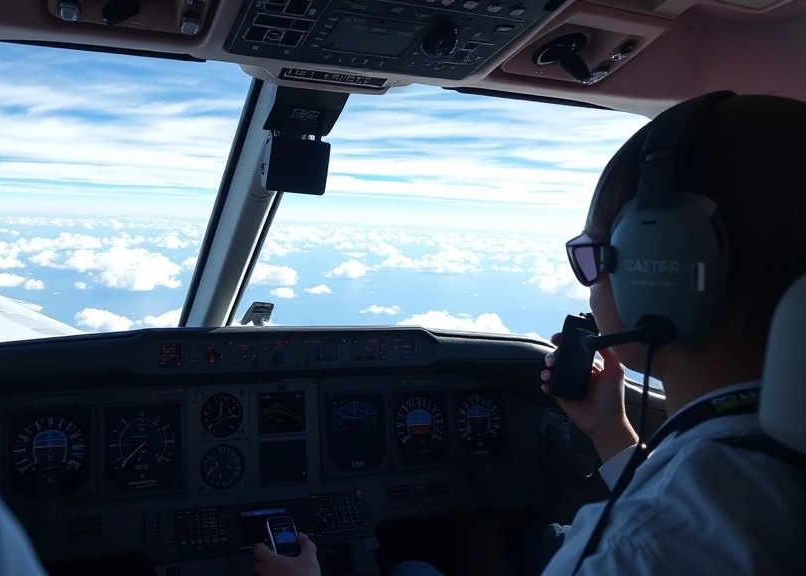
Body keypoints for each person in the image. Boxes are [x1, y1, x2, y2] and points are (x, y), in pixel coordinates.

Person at [253, 94, 806, 576]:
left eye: (589, 256)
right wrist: (611, 431)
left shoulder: (643, 547)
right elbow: (705, 498)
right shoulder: (766, 447)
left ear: (657, 267)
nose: (588, 282)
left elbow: (682, 515)